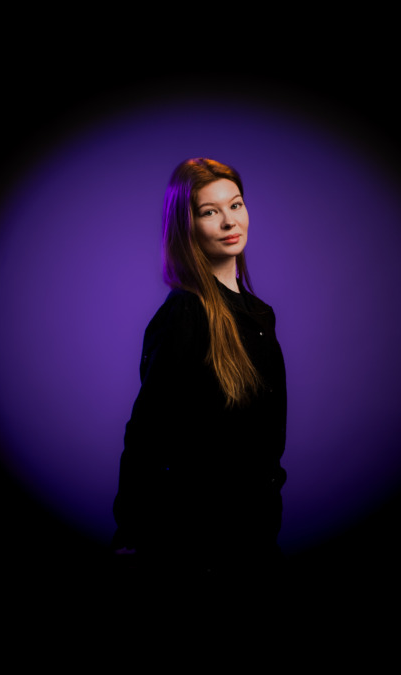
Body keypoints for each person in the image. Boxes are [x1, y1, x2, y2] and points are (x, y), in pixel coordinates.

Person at [112, 158, 287, 575]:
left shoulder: (259, 315)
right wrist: (131, 531)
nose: (229, 221)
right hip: (194, 540)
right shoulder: (184, 314)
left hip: (256, 533)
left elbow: (263, 436)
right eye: (210, 212)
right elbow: (146, 433)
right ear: (187, 226)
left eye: (236, 205)